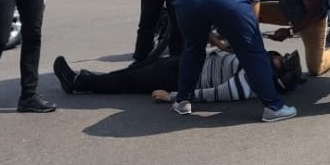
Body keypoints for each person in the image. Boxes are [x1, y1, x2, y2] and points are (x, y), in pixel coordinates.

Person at [172, 0, 297, 122]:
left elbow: (201, 28)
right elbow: (254, 13)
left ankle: (183, 101)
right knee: (253, 52)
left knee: (192, 50)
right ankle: (274, 107)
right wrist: (247, 39)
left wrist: (219, 43)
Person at [52, 48, 302, 102]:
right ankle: (84, 78)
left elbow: (216, 94)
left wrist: (173, 96)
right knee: (133, 72)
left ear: (277, 72)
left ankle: (77, 81)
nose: (278, 56)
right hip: (190, 63)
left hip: (181, 78)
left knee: (127, 81)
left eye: (282, 60)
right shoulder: (256, 66)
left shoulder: (252, 83)